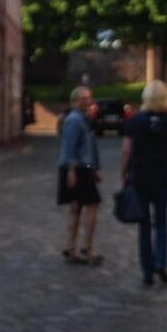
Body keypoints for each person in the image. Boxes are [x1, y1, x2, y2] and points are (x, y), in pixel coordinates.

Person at [120, 80, 167, 287]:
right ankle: (160, 262)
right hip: (161, 179)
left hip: (139, 179)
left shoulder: (135, 121)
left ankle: (147, 271)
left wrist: (123, 174)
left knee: (144, 225)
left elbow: (127, 151)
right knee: (161, 223)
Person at [57, 85, 103, 265]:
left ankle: (70, 247)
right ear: (74, 101)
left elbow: (88, 149)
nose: (87, 101)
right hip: (77, 169)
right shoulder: (74, 120)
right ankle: (87, 247)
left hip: (84, 169)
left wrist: (94, 169)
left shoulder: (84, 119)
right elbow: (70, 147)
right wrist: (71, 171)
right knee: (92, 204)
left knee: (76, 208)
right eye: (83, 99)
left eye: (89, 98)